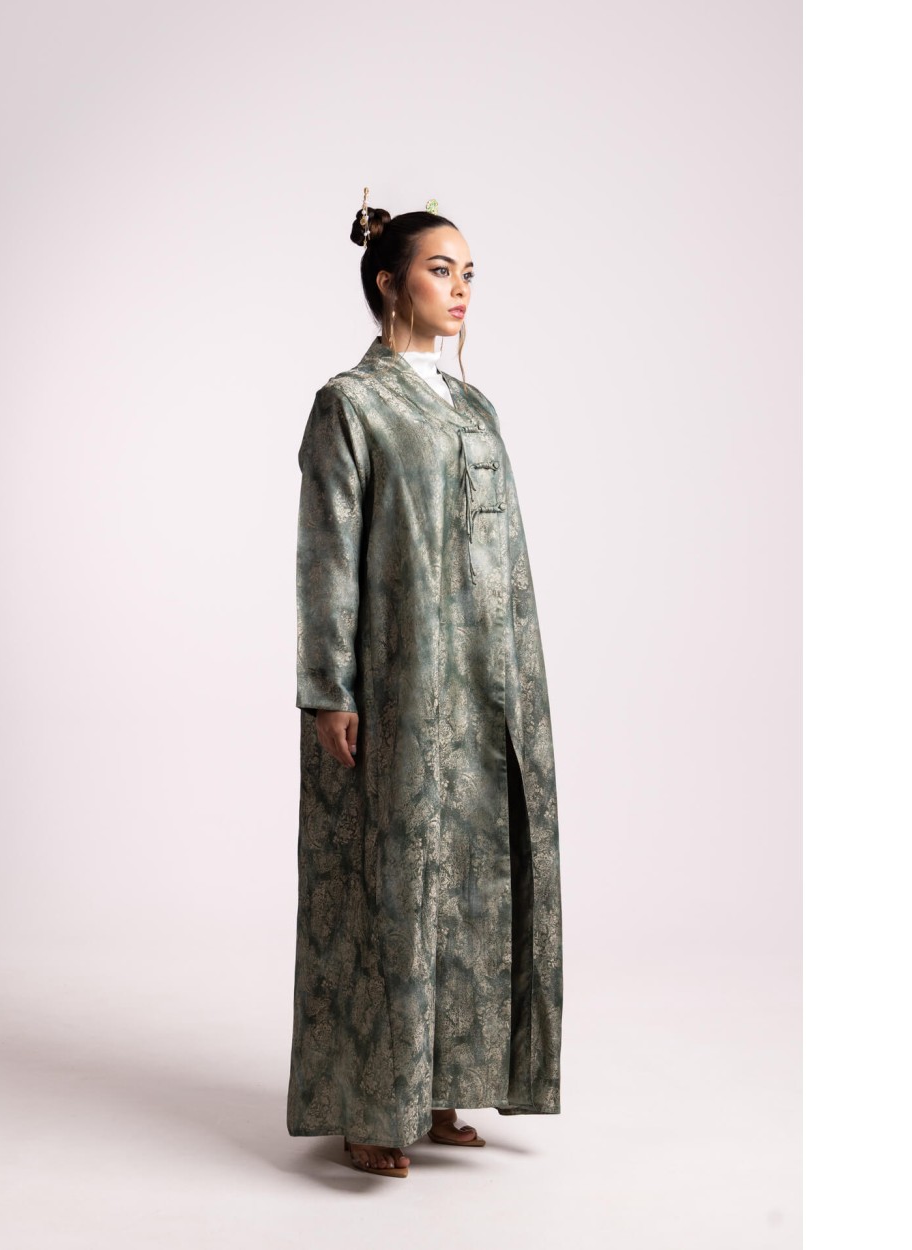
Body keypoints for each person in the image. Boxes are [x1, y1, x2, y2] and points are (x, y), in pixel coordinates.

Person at [286, 190, 564, 1179]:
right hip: (399, 683)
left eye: (469, 273)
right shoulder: (352, 404)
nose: (461, 288)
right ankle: (369, 1099)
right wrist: (330, 686)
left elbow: (507, 554)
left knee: (474, 883)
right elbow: (328, 552)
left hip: (491, 686)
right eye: (442, 269)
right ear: (388, 281)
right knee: (390, 881)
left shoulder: (473, 405)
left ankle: (442, 1083)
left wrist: (519, 683)